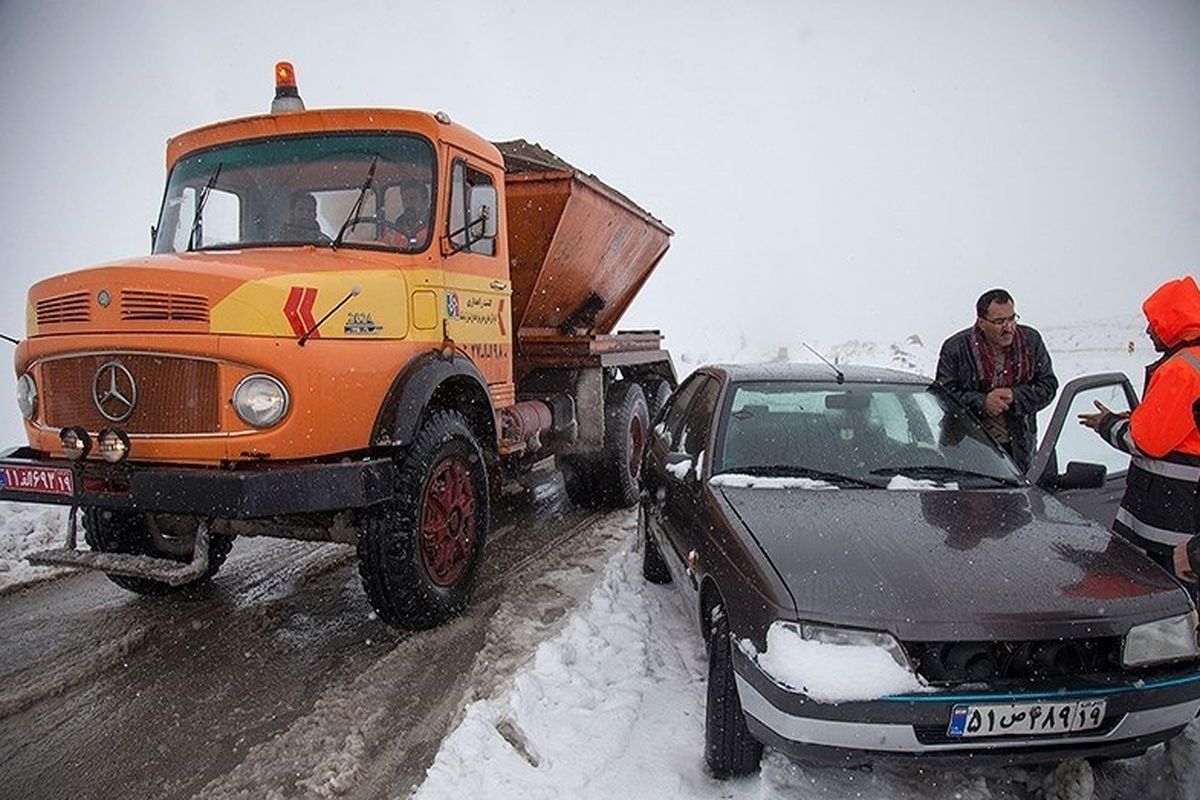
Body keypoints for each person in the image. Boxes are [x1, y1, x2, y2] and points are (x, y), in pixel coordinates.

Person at [1078, 276, 1200, 578]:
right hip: (1184, 516)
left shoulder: (1181, 370)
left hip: (1168, 522)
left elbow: (1149, 441)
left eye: (1154, 322)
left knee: (1159, 604)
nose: (1148, 330)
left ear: (1174, 321)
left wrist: (1107, 424)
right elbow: (1179, 428)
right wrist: (1136, 419)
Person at [935, 288, 1058, 471]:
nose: (1008, 328)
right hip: (967, 447)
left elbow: (1048, 386)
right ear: (981, 323)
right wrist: (983, 403)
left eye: (1012, 319)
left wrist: (1015, 396)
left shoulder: (1030, 341)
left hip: (1019, 447)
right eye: (999, 322)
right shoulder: (956, 348)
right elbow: (943, 395)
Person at [382, 180, 431, 249]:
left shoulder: (434, 226)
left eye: (412, 199)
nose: (408, 204)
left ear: (425, 201)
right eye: (405, 200)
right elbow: (383, 245)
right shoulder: (396, 227)